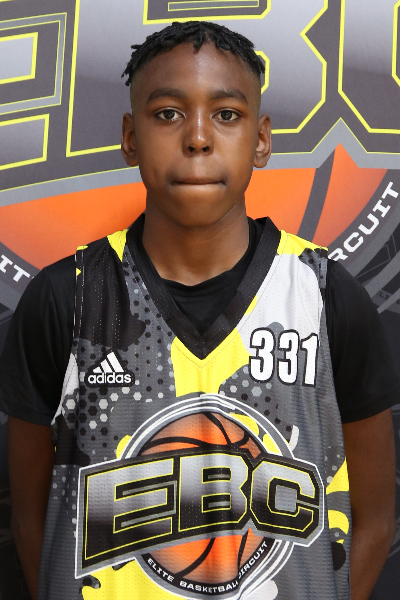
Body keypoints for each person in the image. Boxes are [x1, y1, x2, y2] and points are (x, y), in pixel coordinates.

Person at [0, 21, 397, 600]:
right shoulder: (68, 298)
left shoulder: (325, 297)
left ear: (262, 140)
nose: (198, 138)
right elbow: (33, 520)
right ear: (130, 138)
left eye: (227, 114)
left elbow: (374, 518)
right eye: (168, 114)